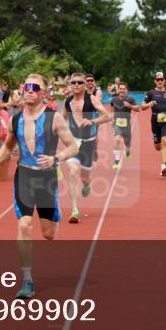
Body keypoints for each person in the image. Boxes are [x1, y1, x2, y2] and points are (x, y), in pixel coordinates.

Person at [0, 73, 79, 299]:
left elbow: (73, 146)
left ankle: (53, 215)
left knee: (48, 234)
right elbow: (8, 146)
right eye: (26, 86)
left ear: (43, 92)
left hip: (47, 178)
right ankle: (27, 280)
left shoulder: (54, 117)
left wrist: (57, 159)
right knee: (24, 225)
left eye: (35, 87)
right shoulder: (15, 119)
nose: (29, 90)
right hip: (24, 176)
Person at [63, 72, 112, 223]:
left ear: (84, 85)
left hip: (88, 144)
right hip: (73, 143)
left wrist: (92, 122)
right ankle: (75, 210)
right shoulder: (68, 101)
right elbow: (61, 119)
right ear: (70, 85)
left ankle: (86, 185)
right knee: (72, 172)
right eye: (73, 83)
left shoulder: (91, 99)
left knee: (85, 178)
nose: (76, 85)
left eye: (79, 82)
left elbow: (108, 116)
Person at [141, 72, 166, 177]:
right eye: (158, 80)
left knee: (165, 141)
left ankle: (164, 165)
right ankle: (158, 144)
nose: (160, 81)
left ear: (164, 81)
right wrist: (149, 104)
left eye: (161, 79)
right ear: (155, 81)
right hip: (155, 121)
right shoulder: (151, 93)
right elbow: (142, 106)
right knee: (158, 147)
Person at [109, 82, 140, 170]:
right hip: (117, 124)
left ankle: (127, 151)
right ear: (118, 90)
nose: (122, 90)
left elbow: (138, 108)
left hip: (127, 125)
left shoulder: (131, 99)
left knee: (127, 144)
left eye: (124, 89)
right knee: (117, 139)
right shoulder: (114, 100)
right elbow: (111, 110)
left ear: (126, 90)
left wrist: (130, 105)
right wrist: (112, 119)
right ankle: (117, 161)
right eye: (120, 88)